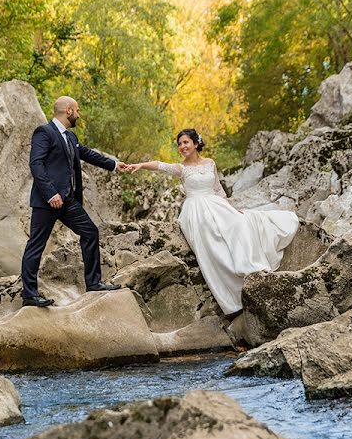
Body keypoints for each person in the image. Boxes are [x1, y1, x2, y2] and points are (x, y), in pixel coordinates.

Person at [120, 128, 298, 315]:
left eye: (186, 142)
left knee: (241, 223)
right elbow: (160, 165)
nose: (182, 146)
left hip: (216, 204)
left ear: (196, 144)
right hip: (195, 211)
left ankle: (249, 266)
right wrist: (139, 165)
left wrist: (231, 207)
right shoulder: (182, 169)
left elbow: (218, 189)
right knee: (212, 240)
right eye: (179, 144)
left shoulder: (210, 163)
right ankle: (233, 295)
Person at [21, 96, 124, 307]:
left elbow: (87, 154)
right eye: (77, 110)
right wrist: (50, 193)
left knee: (90, 232)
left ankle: (94, 282)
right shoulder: (44, 132)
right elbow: (36, 164)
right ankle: (29, 295)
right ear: (68, 110)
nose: (79, 114)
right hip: (47, 201)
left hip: (67, 201)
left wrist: (114, 165)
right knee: (36, 246)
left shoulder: (70, 136)